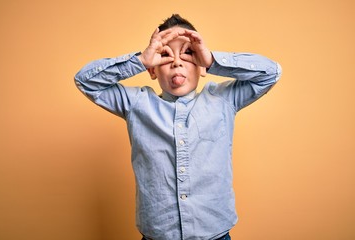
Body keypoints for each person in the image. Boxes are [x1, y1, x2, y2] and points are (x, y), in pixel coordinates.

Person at [75, 14, 281, 240]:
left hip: (215, 234)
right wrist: (141, 60)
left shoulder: (223, 100)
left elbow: (271, 73)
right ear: (152, 71)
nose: (177, 61)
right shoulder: (136, 104)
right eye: (164, 54)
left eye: (187, 53)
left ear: (201, 67)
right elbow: (85, 80)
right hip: (157, 235)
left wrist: (211, 60)